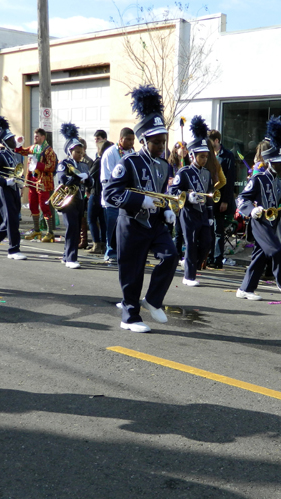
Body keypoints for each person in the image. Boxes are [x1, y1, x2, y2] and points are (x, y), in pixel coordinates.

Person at [106, 85, 179, 333]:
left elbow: (162, 193)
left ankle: (153, 300)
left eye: (163, 141)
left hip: (155, 223)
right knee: (132, 273)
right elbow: (111, 193)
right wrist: (139, 201)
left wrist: (166, 208)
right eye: (157, 142)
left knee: (171, 256)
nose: (161, 146)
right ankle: (129, 317)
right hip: (131, 224)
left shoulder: (164, 165)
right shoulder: (129, 163)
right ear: (144, 140)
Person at [236, 117, 281, 303]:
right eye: (279, 162)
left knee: (260, 256)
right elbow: (241, 199)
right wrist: (251, 211)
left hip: (272, 222)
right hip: (259, 222)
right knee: (275, 250)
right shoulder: (258, 179)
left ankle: (245, 288)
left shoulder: (280, 183)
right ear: (271, 162)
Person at [168, 116, 214, 287]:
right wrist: (187, 197)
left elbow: (210, 194)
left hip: (202, 212)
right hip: (188, 212)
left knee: (207, 242)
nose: (204, 160)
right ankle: (189, 276)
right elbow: (173, 191)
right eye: (201, 157)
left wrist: (210, 214)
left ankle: (190, 263)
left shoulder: (208, 173)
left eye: (206, 157)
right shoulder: (184, 172)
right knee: (191, 242)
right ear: (193, 155)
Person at [0, 115, 27, 260]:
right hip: (4, 189)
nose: (13, 140)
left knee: (13, 219)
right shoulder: (0, 155)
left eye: (13, 138)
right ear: (5, 141)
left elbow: (19, 172)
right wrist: (5, 182)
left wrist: (20, 181)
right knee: (11, 219)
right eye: (10, 139)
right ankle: (13, 249)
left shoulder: (16, 156)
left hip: (14, 188)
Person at [54, 123, 92, 268]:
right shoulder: (63, 163)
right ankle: (71, 258)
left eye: (81, 152)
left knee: (76, 228)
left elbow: (90, 182)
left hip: (80, 200)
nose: (80, 155)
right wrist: (78, 177)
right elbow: (63, 180)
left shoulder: (83, 165)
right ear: (70, 151)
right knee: (72, 228)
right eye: (77, 152)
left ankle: (66, 256)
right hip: (68, 200)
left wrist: (88, 179)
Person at [100, 127, 136, 263]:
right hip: (112, 198)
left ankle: (124, 253)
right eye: (129, 139)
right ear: (121, 139)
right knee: (112, 227)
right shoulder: (110, 153)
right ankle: (110, 252)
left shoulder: (133, 153)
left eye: (133, 140)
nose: (132, 142)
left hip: (128, 198)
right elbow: (107, 177)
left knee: (126, 228)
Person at [16, 128, 57, 242]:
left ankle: (50, 232)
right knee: (32, 205)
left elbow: (51, 166)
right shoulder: (33, 148)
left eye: (37, 136)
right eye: (34, 136)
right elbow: (21, 151)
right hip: (32, 180)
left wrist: (37, 164)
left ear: (43, 137)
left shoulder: (49, 151)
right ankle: (37, 230)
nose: (35, 138)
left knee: (44, 207)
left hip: (43, 182)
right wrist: (18, 144)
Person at [208, 129, 236, 268]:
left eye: (210, 141)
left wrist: (225, 200)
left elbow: (230, 180)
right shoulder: (207, 154)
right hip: (210, 197)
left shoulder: (228, 156)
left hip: (221, 198)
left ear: (217, 141)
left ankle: (217, 259)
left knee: (218, 230)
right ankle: (209, 257)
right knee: (210, 229)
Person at [88, 135, 113, 254]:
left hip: (95, 192)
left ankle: (96, 244)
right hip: (104, 195)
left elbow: (90, 176)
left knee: (92, 219)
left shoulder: (99, 161)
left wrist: (88, 189)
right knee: (103, 221)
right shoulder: (110, 161)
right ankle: (103, 244)